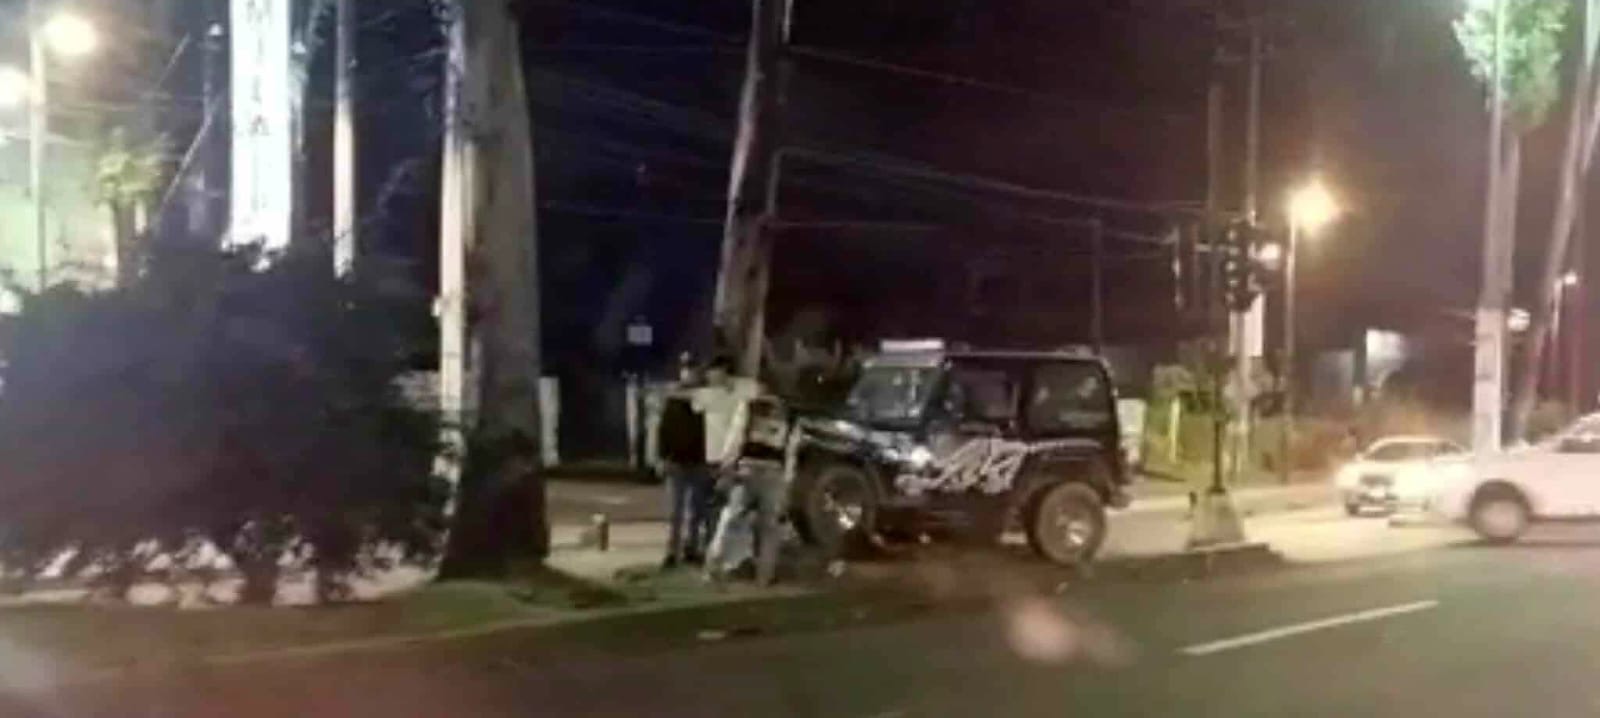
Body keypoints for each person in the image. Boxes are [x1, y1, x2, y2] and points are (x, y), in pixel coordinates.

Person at [656, 357, 711, 568]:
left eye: (692, 369)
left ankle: (692, 548)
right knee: (675, 511)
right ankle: (672, 551)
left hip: (698, 461)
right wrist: (663, 458)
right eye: (686, 369)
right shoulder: (674, 398)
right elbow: (664, 430)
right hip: (677, 462)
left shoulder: (705, 397)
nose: (688, 373)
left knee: (697, 510)